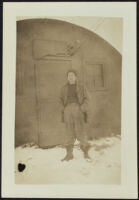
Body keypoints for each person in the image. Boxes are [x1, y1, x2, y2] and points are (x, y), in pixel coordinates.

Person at [60, 69, 91, 161]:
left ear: (76, 77)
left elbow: (87, 99)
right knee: (69, 132)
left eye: (72, 75)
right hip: (68, 110)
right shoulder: (64, 88)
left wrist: (82, 108)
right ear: (67, 77)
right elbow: (60, 100)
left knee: (81, 131)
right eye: (69, 75)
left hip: (78, 109)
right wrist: (64, 109)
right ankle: (69, 155)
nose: (70, 77)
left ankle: (86, 154)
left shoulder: (81, 87)